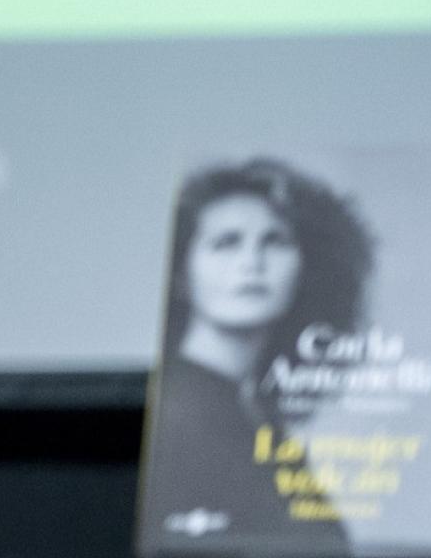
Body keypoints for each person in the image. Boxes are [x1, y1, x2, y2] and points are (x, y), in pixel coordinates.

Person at [138, 158, 374, 556]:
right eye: (226, 243)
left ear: (307, 268)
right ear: (180, 271)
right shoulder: (176, 412)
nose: (252, 263)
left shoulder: (254, 416)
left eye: (275, 241)